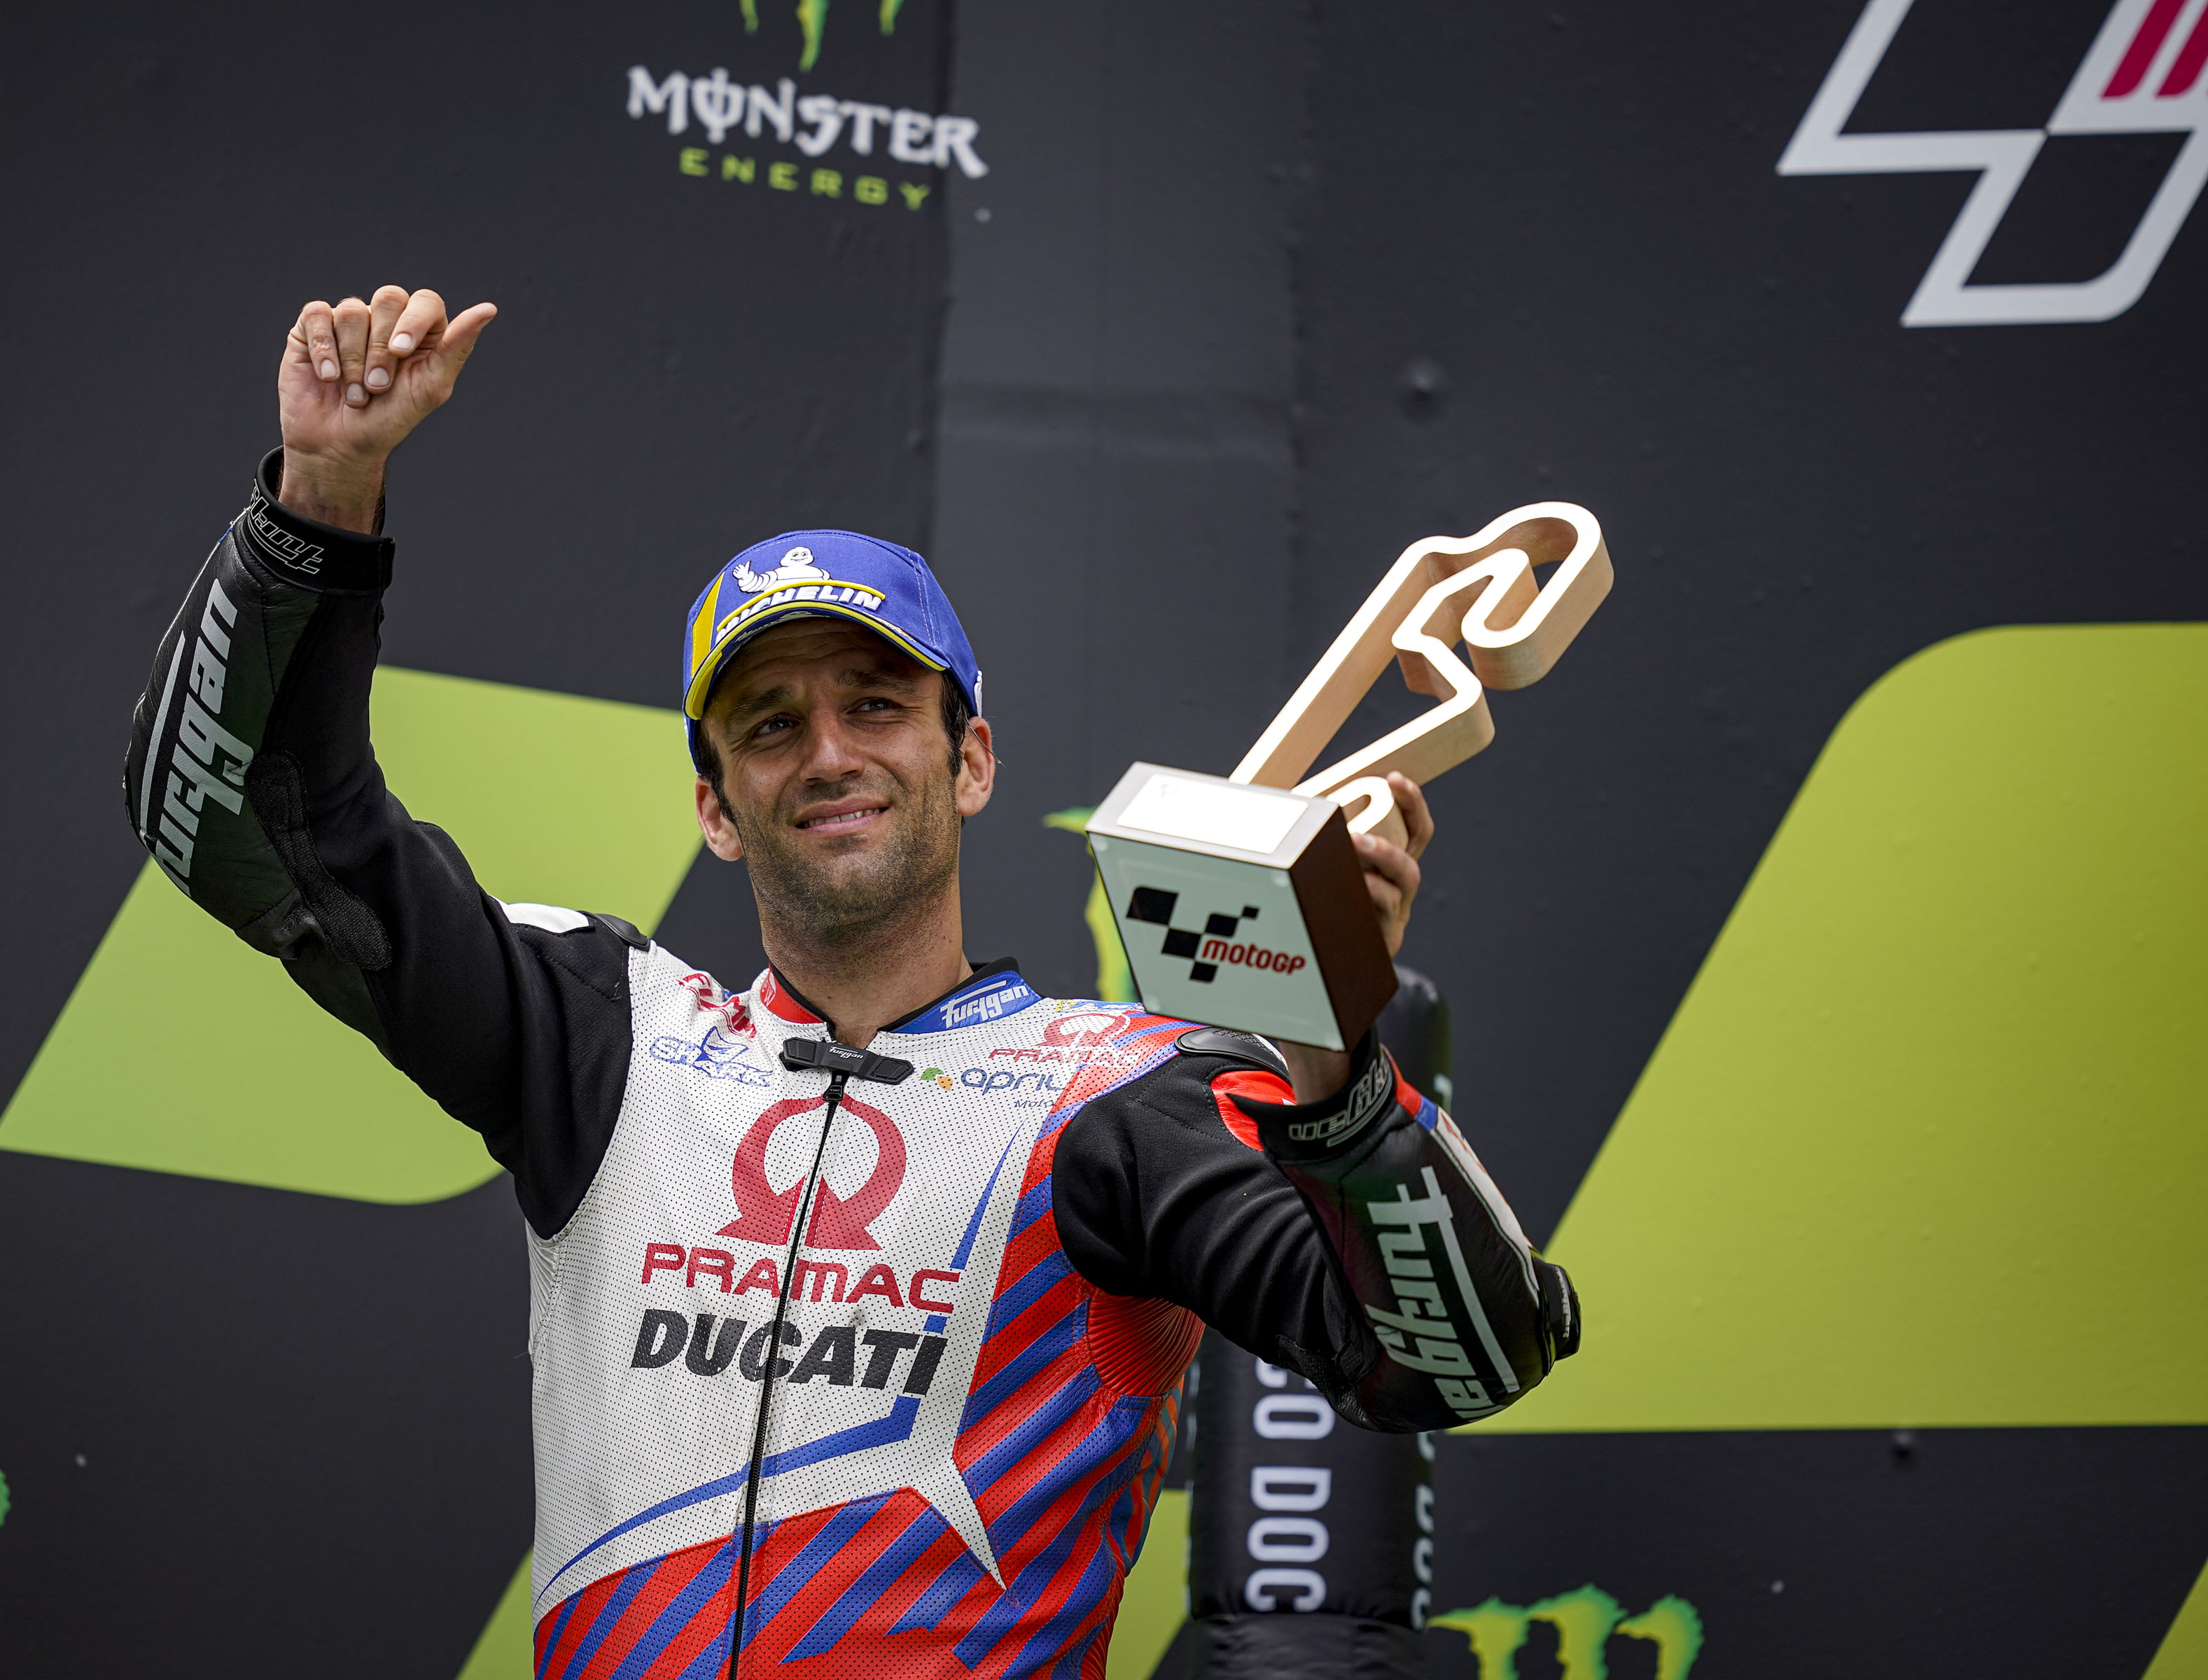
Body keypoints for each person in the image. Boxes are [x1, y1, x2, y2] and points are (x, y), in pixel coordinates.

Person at [125, 284, 1578, 1680]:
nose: (827, 752)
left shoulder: (1122, 1102)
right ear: (715, 805)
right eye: (770, 723)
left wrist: (1330, 1057)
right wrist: (323, 498)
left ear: (971, 759)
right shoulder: (601, 1037)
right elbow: (237, 823)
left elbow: (1459, 1365)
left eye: (876, 704)